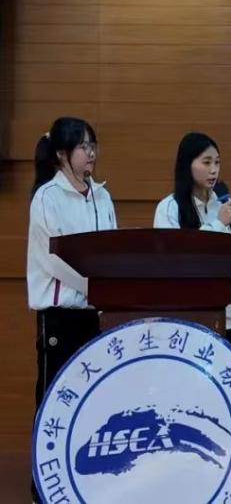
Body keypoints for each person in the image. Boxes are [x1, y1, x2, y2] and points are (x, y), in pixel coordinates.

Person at [27, 116, 117, 503]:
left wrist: (109, 288)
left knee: (92, 400)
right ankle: (44, 486)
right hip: (60, 316)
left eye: (93, 145)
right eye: (83, 146)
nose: (91, 153)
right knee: (54, 398)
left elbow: (111, 248)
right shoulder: (47, 197)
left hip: (94, 315)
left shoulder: (102, 196)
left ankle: (84, 482)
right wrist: (92, 285)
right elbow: (53, 260)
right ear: (63, 154)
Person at [153, 132, 231, 345]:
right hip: (185, 311)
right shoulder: (170, 207)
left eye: (217, 162)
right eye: (206, 162)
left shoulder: (222, 204)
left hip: (225, 312)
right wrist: (218, 223)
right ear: (188, 165)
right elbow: (174, 259)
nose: (214, 170)